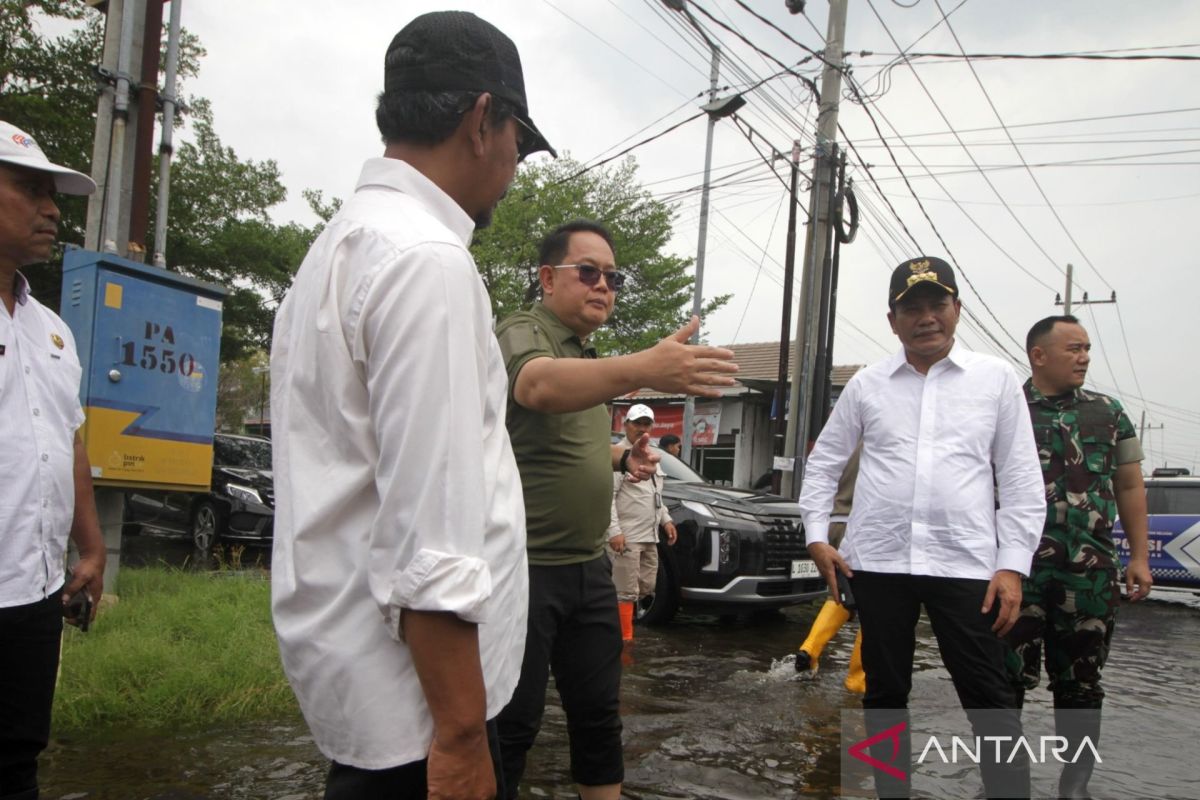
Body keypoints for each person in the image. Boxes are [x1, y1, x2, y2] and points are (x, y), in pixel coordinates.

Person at [269, 13, 555, 798]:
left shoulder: (338, 248)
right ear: (481, 119)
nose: (515, 167)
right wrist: (463, 738)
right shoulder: (426, 263)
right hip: (423, 717)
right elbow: (431, 536)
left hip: (363, 685)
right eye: (519, 143)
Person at [494, 219, 738, 800]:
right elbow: (536, 389)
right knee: (511, 727)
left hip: (589, 567)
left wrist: (621, 457)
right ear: (548, 278)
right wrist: (642, 368)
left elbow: (562, 442)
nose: (604, 285)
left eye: (613, 276)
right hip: (523, 571)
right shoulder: (522, 330)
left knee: (600, 719)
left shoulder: (585, 355)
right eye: (589, 272)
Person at [797, 256, 1045, 798]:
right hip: (880, 563)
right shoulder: (868, 384)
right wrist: (817, 536)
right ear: (893, 320)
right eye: (912, 308)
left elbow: (1022, 476)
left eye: (937, 304)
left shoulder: (996, 380)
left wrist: (1011, 566)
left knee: (989, 695)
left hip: (967, 565)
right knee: (883, 695)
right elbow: (825, 461)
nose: (926, 317)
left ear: (957, 309)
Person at [0, 120, 105, 800]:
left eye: (54, 194)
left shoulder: (53, 332)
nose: (52, 210)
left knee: (16, 762)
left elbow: (67, 438)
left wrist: (91, 549)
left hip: (32, 596)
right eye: (31, 190)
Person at [1005, 315, 1152, 799]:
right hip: (1017, 573)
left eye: (1087, 348)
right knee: (1005, 685)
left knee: (1082, 686)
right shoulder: (1006, 410)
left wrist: (1137, 557)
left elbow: (1129, 484)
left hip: (1089, 576)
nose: (1085, 357)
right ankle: (1009, 785)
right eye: (1074, 348)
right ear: (1039, 354)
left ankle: (1075, 785)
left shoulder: (1109, 413)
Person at [794, 447, 864, 694]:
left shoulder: (847, 438)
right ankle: (859, 679)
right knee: (877, 607)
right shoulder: (885, 435)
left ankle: (810, 648)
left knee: (842, 593)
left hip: (833, 523)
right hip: (862, 526)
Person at [607, 404, 678, 642]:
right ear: (626, 424)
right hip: (628, 535)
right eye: (637, 423)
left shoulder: (651, 455)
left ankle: (619, 624)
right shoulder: (618, 455)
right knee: (625, 590)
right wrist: (614, 531)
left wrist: (666, 520)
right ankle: (623, 639)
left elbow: (655, 494)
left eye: (646, 424)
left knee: (646, 586)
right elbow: (607, 497)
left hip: (650, 535)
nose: (642, 428)